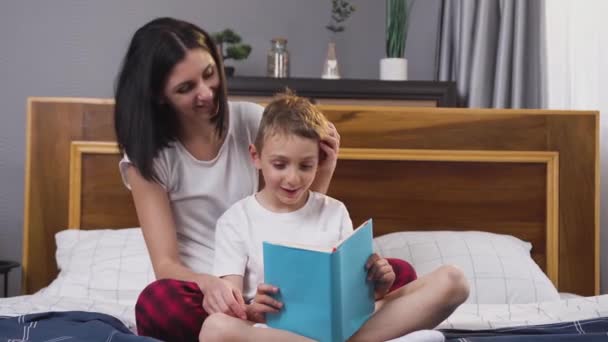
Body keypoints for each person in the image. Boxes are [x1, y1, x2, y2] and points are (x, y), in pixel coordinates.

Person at [114, 17, 417, 341]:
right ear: (158, 95)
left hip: (278, 279)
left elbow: (294, 206)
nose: (207, 93)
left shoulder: (251, 119)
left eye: (209, 74)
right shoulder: (148, 157)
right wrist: (211, 286)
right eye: (186, 88)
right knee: (156, 303)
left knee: (399, 272)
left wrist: (324, 168)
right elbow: (165, 264)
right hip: (213, 292)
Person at [199, 92, 470, 342]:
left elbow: (353, 298)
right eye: (280, 164)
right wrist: (253, 310)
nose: (293, 178)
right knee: (214, 328)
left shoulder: (335, 211)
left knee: (453, 280)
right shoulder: (236, 220)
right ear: (256, 157)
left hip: (342, 328)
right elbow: (231, 305)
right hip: (273, 332)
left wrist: (377, 287)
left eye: (306, 166)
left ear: (320, 160)